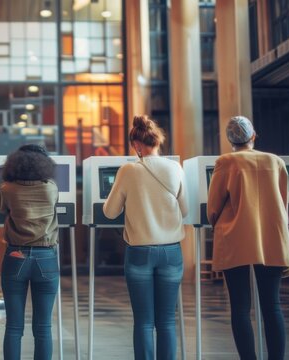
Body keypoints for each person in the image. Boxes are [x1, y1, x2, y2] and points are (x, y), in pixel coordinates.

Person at [103, 115, 188, 360]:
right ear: (157, 141)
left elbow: (110, 212)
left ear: (137, 145)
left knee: (143, 321)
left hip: (139, 252)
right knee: (167, 321)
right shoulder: (175, 168)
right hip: (171, 252)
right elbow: (186, 210)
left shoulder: (128, 170)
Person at [207, 116, 289, 360]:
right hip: (271, 237)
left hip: (236, 238)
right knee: (272, 306)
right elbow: (282, 201)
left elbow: (213, 207)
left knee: (241, 308)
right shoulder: (275, 161)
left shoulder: (225, 162)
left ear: (229, 139)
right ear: (253, 136)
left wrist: (217, 222)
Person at [0, 144, 59, 360]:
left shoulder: (7, 189)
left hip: (16, 256)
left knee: (13, 325)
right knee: (43, 327)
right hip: (46, 257)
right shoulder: (51, 188)